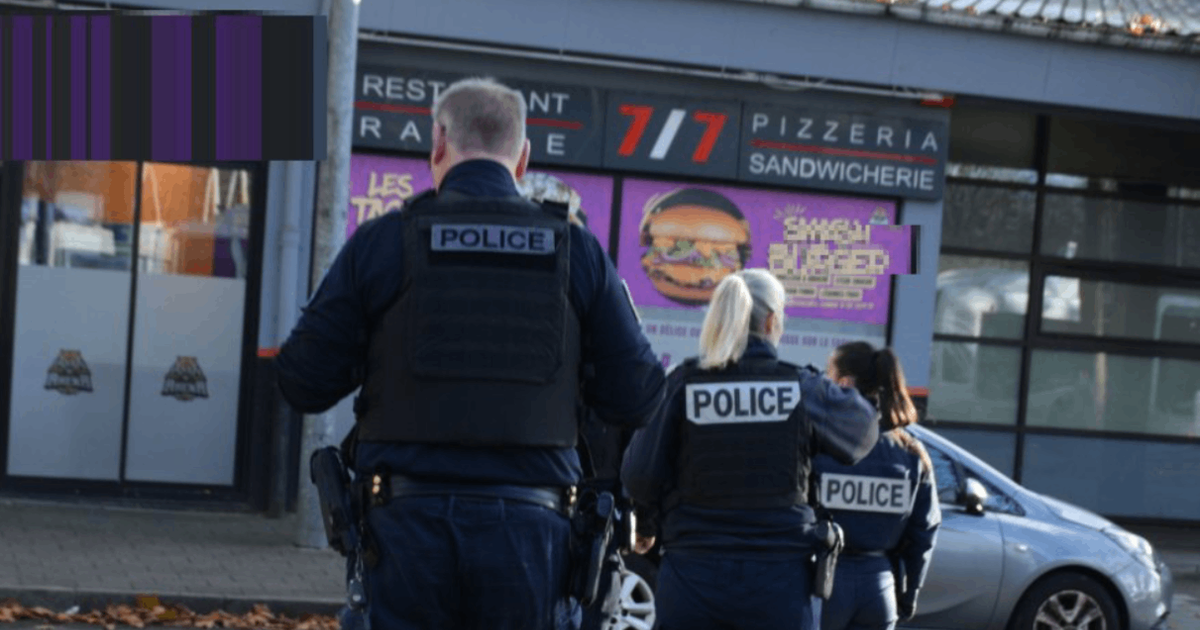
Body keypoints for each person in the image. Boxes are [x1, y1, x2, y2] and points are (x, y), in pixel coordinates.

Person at [276, 77, 666, 630]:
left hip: (405, 531)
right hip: (532, 536)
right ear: (523, 158)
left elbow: (301, 381)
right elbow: (640, 398)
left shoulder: (383, 242)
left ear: (437, 144)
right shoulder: (576, 250)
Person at [620, 269, 881, 630]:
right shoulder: (799, 388)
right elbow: (862, 431)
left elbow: (639, 474)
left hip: (693, 579)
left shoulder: (683, 383)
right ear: (771, 320)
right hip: (778, 584)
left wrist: (646, 522)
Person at [813, 343, 941, 630]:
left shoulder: (820, 445)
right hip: (880, 587)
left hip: (824, 585)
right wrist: (908, 595)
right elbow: (924, 533)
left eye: (827, 375)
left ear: (844, 383)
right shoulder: (911, 452)